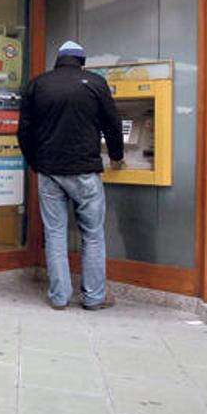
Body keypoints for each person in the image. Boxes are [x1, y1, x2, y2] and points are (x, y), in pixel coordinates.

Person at [17, 41, 124, 311]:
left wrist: (35, 162)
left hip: (49, 171)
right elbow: (113, 125)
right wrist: (116, 156)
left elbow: (24, 130)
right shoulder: (95, 83)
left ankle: (59, 296)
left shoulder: (38, 84)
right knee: (93, 234)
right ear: (82, 61)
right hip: (85, 171)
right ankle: (94, 297)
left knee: (54, 233)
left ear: (58, 61)